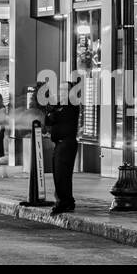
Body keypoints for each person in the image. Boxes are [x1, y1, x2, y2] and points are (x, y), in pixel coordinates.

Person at [44, 80, 81, 215]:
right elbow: (48, 119)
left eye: (65, 90)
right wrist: (50, 113)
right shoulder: (60, 104)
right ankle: (64, 201)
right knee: (58, 174)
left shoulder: (72, 104)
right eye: (61, 89)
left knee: (63, 175)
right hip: (59, 144)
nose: (62, 92)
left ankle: (65, 202)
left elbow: (55, 117)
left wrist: (52, 114)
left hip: (67, 143)